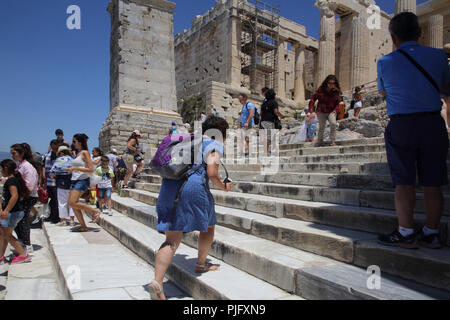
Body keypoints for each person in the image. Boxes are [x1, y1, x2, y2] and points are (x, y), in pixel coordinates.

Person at [377, 12, 450, 249]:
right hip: (432, 122)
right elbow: (447, 92)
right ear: (420, 33)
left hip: (401, 125)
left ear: (392, 37)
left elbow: (384, 92)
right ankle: (431, 232)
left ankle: (406, 231)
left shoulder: (384, 62)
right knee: (432, 182)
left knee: (403, 182)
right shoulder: (439, 56)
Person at [149, 115, 232, 300]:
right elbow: (212, 172)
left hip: (170, 187)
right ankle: (201, 263)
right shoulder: (215, 143)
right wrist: (224, 186)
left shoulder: (188, 140)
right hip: (194, 187)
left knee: (171, 240)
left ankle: (157, 282)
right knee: (209, 225)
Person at [67, 134, 101, 232]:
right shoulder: (78, 153)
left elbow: (90, 169)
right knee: (73, 205)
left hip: (82, 180)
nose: (73, 143)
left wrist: (75, 168)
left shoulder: (85, 153)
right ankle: (83, 226)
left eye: (74, 141)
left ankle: (95, 211)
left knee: (72, 202)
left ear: (79, 142)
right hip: (75, 180)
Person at [0, 159, 31, 264]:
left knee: (6, 235)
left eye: (1, 169)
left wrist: (6, 211)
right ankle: (0, 256)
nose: (1, 171)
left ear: (5, 168)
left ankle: (23, 255)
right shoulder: (12, 180)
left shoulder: (11, 181)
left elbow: (15, 196)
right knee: (3, 234)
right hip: (13, 212)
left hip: (12, 212)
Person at [10, 144, 38, 253]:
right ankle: (22, 242)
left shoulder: (27, 166)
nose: (12, 155)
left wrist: (21, 196)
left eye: (14, 153)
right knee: (19, 221)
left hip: (27, 197)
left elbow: (30, 185)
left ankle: (26, 244)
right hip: (24, 196)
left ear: (21, 153)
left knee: (22, 221)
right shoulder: (22, 165)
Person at [308, 75, 343, 147]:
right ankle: (320, 141)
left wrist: (336, 110)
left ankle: (332, 141)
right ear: (326, 82)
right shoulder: (321, 90)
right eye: (329, 83)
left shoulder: (336, 91)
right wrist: (311, 110)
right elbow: (312, 99)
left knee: (333, 123)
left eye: (333, 83)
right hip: (321, 110)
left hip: (331, 111)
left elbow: (338, 103)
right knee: (322, 126)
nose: (331, 85)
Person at [50, 146, 75, 227]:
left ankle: (63, 220)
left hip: (61, 182)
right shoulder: (72, 160)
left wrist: (55, 177)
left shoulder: (58, 160)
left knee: (62, 202)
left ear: (61, 153)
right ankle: (72, 220)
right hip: (71, 182)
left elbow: (51, 173)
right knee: (71, 202)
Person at [260, 89, 285, 155]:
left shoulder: (264, 104)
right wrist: (282, 116)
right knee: (269, 137)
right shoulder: (274, 102)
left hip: (263, 121)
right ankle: (266, 152)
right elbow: (276, 111)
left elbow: (261, 113)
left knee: (270, 136)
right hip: (270, 121)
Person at [43, 140, 60, 224]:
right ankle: (51, 215)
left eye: (56, 145)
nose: (54, 147)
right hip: (49, 181)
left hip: (57, 181)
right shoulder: (47, 155)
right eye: (53, 145)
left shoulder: (60, 156)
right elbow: (43, 166)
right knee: (51, 200)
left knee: (56, 200)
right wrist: (43, 178)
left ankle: (56, 217)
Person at [238, 93, 255, 157]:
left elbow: (251, 114)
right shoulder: (244, 106)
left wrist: (247, 122)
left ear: (244, 98)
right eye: (239, 100)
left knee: (248, 139)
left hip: (248, 125)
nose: (239, 101)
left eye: (240, 99)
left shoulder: (249, 104)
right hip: (243, 125)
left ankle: (250, 153)